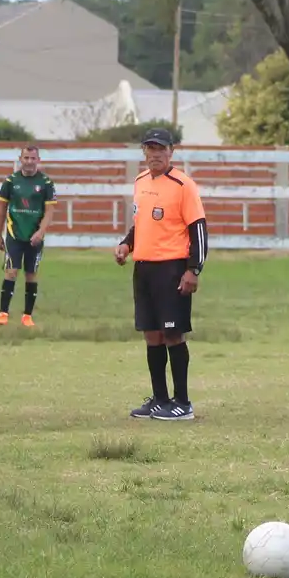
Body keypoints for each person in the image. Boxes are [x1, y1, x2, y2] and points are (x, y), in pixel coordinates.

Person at [115, 127, 207, 421]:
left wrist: (193, 269)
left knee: (172, 334)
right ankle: (160, 398)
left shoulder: (184, 185)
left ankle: (183, 402)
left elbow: (199, 230)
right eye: (150, 149)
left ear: (171, 152)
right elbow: (141, 222)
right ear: (144, 152)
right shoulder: (141, 181)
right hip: (144, 269)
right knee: (151, 335)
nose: (155, 154)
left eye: (160, 149)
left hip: (171, 269)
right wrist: (126, 244)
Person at [0, 145, 57, 328]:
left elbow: (49, 211)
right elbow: (1, 210)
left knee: (31, 274)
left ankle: (27, 316)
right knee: (11, 272)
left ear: (38, 160)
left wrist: (41, 232)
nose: (29, 162)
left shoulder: (46, 183)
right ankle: (3, 313)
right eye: (26, 158)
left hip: (34, 237)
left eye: (33, 158)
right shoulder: (10, 181)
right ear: (20, 159)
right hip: (14, 235)